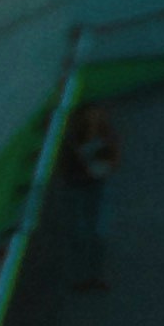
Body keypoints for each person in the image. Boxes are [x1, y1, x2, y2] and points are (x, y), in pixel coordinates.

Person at [54, 105, 121, 292]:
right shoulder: (73, 138)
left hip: (97, 185)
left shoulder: (107, 135)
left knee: (99, 233)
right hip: (76, 185)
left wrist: (105, 164)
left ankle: (96, 275)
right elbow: (64, 164)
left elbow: (115, 159)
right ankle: (81, 276)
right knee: (79, 233)